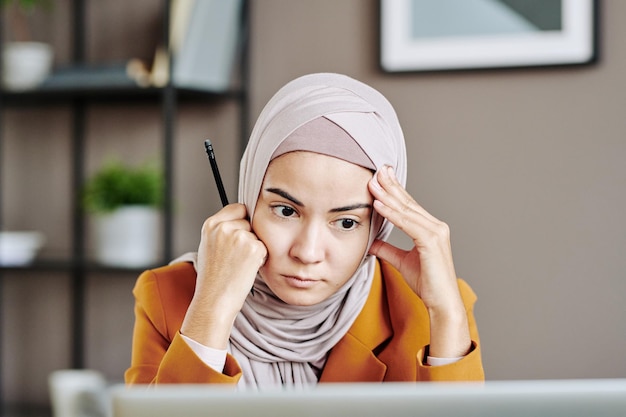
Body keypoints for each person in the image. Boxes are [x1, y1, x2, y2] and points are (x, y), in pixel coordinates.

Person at [125, 73, 484, 387]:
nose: (308, 253)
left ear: (379, 224)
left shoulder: (427, 305)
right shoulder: (167, 295)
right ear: (249, 196)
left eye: (346, 222)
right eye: (285, 210)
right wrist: (213, 309)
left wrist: (447, 315)